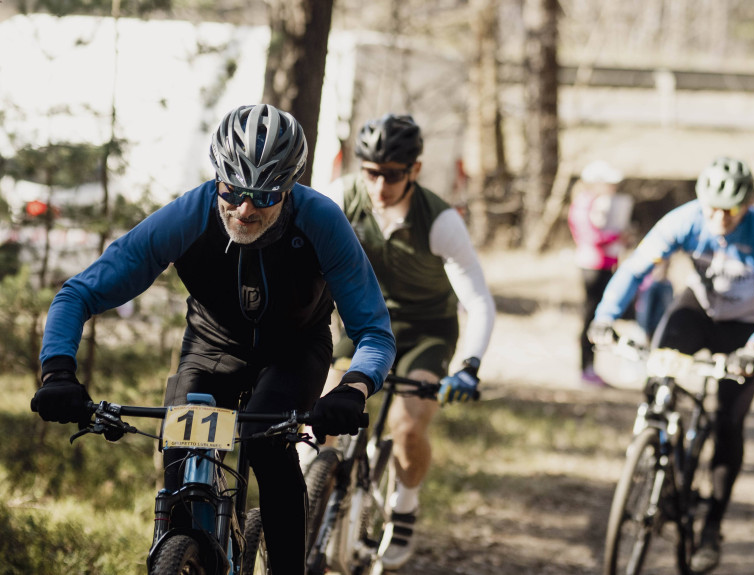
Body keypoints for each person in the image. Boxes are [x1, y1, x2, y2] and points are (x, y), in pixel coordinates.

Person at [29, 103, 397, 574]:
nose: (245, 209)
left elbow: (373, 330)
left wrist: (354, 386)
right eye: (234, 190)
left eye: (265, 196)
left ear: (289, 188)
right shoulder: (189, 215)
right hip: (212, 348)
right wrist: (58, 371)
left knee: (266, 444)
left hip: (295, 352)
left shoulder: (321, 221)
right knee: (182, 463)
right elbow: (78, 293)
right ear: (217, 176)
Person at [589, 156, 754, 574]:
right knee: (658, 369)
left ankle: (713, 526)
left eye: (729, 210)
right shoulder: (683, 220)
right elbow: (634, 270)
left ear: (747, 204)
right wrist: (605, 315)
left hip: (744, 328)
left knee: (728, 423)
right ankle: (657, 449)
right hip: (696, 312)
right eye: (711, 208)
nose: (718, 218)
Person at [323, 113, 495, 570]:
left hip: (426, 331)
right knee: (321, 411)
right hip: (361, 325)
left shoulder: (440, 222)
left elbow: (478, 300)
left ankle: (404, 509)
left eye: (393, 175)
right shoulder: (340, 199)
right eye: (371, 173)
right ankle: (315, 489)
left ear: (415, 171)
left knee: (407, 425)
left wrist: (469, 365)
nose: (380, 186)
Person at [568, 160, 633, 387]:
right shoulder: (584, 204)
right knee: (591, 316)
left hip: (606, 264)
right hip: (592, 267)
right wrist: (617, 236)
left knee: (597, 315)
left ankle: (591, 367)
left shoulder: (600, 203)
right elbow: (590, 237)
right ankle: (585, 368)